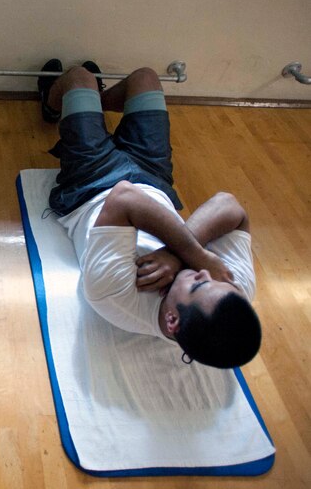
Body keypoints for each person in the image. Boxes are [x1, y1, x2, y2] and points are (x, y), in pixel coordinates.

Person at [39, 59, 261, 368]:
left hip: (91, 185)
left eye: (197, 283)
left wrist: (186, 255)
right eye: (210, 275)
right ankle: (88, 106)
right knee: (144, 79)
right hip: (153, 179)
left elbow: (123, 198)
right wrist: (182, 255)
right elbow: (229, 205)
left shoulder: (114, 296)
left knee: (79, 78)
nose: (206, 272)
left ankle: (54, 103)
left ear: (172, 320)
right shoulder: (231, 296)